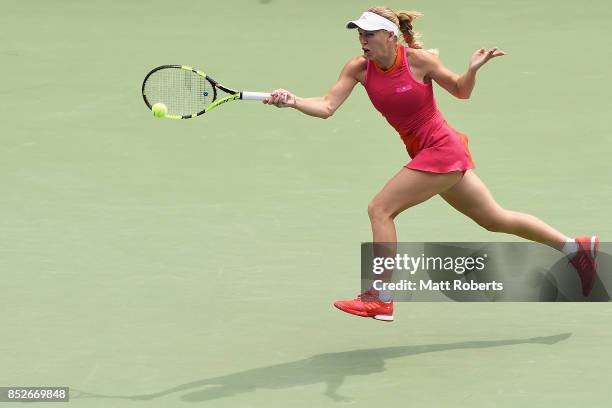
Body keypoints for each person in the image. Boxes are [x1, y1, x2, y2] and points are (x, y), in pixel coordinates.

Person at [263, 6, 599, 321]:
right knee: (494, 219)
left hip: (442, 149)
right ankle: (575, 248)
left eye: (369, 33)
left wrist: (471, 70)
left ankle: (381, 295)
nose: (362, 40)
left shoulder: (418, 61)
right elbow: (326, 105)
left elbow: (460, 91)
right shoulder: (358, 68)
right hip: (430, 154)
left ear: (391, 36)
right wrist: (292, 101)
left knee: (380, 209)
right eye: (359, 34)